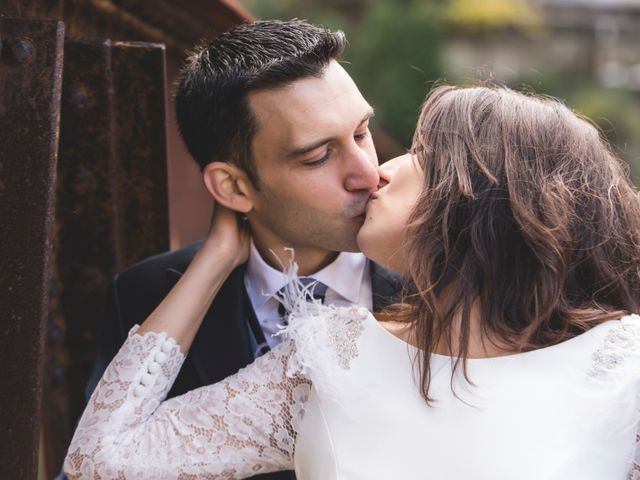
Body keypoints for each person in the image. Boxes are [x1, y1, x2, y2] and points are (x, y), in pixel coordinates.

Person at [65, 85, 640, 479]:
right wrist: (216, 257)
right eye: (320, 154)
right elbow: (103, 461)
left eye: (425, 154)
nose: (378, 170)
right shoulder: (328, 358)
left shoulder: (623, 365)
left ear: (483, 202)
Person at [81, 19, 401, 480]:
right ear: (231, 186)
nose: (367, 174)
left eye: (361, 132)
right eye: (318, 156)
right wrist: (212, 264)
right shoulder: (146, 294)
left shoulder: (452, 277)